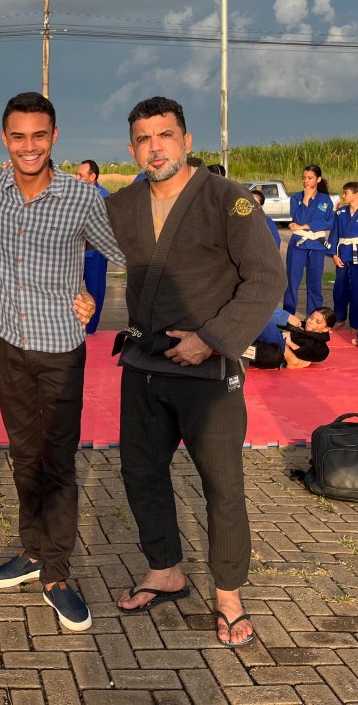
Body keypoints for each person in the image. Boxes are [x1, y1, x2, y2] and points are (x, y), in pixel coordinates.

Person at [105, 96, 285, 648]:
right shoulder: (123, 205)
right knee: (140, 472)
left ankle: (228, 594)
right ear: (132, 149)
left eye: (165, 135)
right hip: (144, 362)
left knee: (222, 484)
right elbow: (67, 247)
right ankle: (165, 570)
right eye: (143, 138)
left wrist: (210, 340)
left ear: (186, 141)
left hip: (208, 369)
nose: (154, 147)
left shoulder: (226, 199)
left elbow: (266, 279)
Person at [0, 92, 123, 633]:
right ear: (5, 139)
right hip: (7, 341)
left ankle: (56, 573)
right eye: (19, 136)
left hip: (59, 348)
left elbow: (125, 253)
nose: (29, 146)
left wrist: (94, 298)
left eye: (39, 135)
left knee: (57, 460)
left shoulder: (82, 197)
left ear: (55, 137)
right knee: (24, 455)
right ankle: (32, 551)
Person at [283, 165, 334, 315]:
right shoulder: (296, 198)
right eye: (304, 178)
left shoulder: (325, 200)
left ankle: (313, 317)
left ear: (318, 179)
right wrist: (305, 199)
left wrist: (305, 226)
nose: (306, 181)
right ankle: (288, 317)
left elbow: (330, 222)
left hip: (317, 246)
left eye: (310, 178)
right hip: (298, 244)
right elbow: (298, 218)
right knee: (292, 283)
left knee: (315, 284)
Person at [329, 182, 358, 335]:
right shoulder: (340, 213)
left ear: (357, 195)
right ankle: (339, 318)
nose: (343, 196)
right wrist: (334, 254)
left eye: (346, 193)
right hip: (343, 254)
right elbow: (334, 234)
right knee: (339, 289)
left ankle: (356, 323)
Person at [76, 159, 111, 335]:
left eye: (81, 175)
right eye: (76, 174)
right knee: (71, 289)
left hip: (95, 253)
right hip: (75, 253)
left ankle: (90, 329)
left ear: (92, 177)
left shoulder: (103, 196)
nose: (77, 178)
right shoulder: (74, 194)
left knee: (95, 290)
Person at [249, 307, 336, 369]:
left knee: (273, 355)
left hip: (276, 350)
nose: (311, 322)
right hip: (272, 338)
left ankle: (242, 350)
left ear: (326, 329)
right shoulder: (298, 324)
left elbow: (312, 354)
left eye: (318, 322)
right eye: (311, 317)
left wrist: (290, 344)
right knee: (267, 323)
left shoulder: (321, 348)